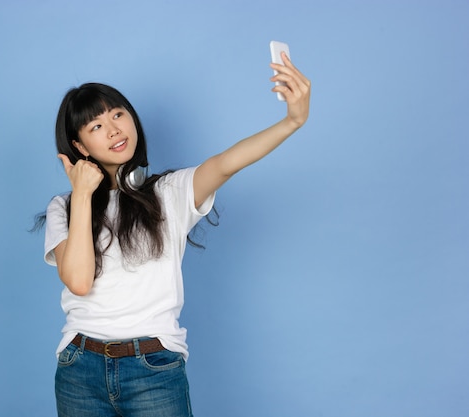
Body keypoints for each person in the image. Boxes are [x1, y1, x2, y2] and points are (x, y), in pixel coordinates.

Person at [41, 52, 310, 417]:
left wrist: (292, 121)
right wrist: (85, 194)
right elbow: (79, 280)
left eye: (118, 114)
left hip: (152, 367)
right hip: (79, 367)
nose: (115, 129)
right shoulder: (66, 208)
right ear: (80, 147)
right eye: (97, 126)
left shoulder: (170, 192)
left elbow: (227, 162)